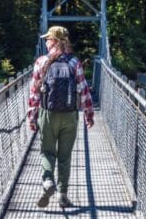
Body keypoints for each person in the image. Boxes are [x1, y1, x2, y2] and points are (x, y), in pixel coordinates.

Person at [27, 26, 95, 208]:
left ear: (55, 41)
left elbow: (34, 92)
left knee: (48, 152)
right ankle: (62, 196)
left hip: (47, 114)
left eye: (48, 39)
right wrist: (89, 114)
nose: (46, 41)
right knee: (65, 156)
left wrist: (32, 117)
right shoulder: (74, 63)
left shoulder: (41, 62)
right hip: (70, 115)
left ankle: (48, 181)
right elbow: (84, 90)